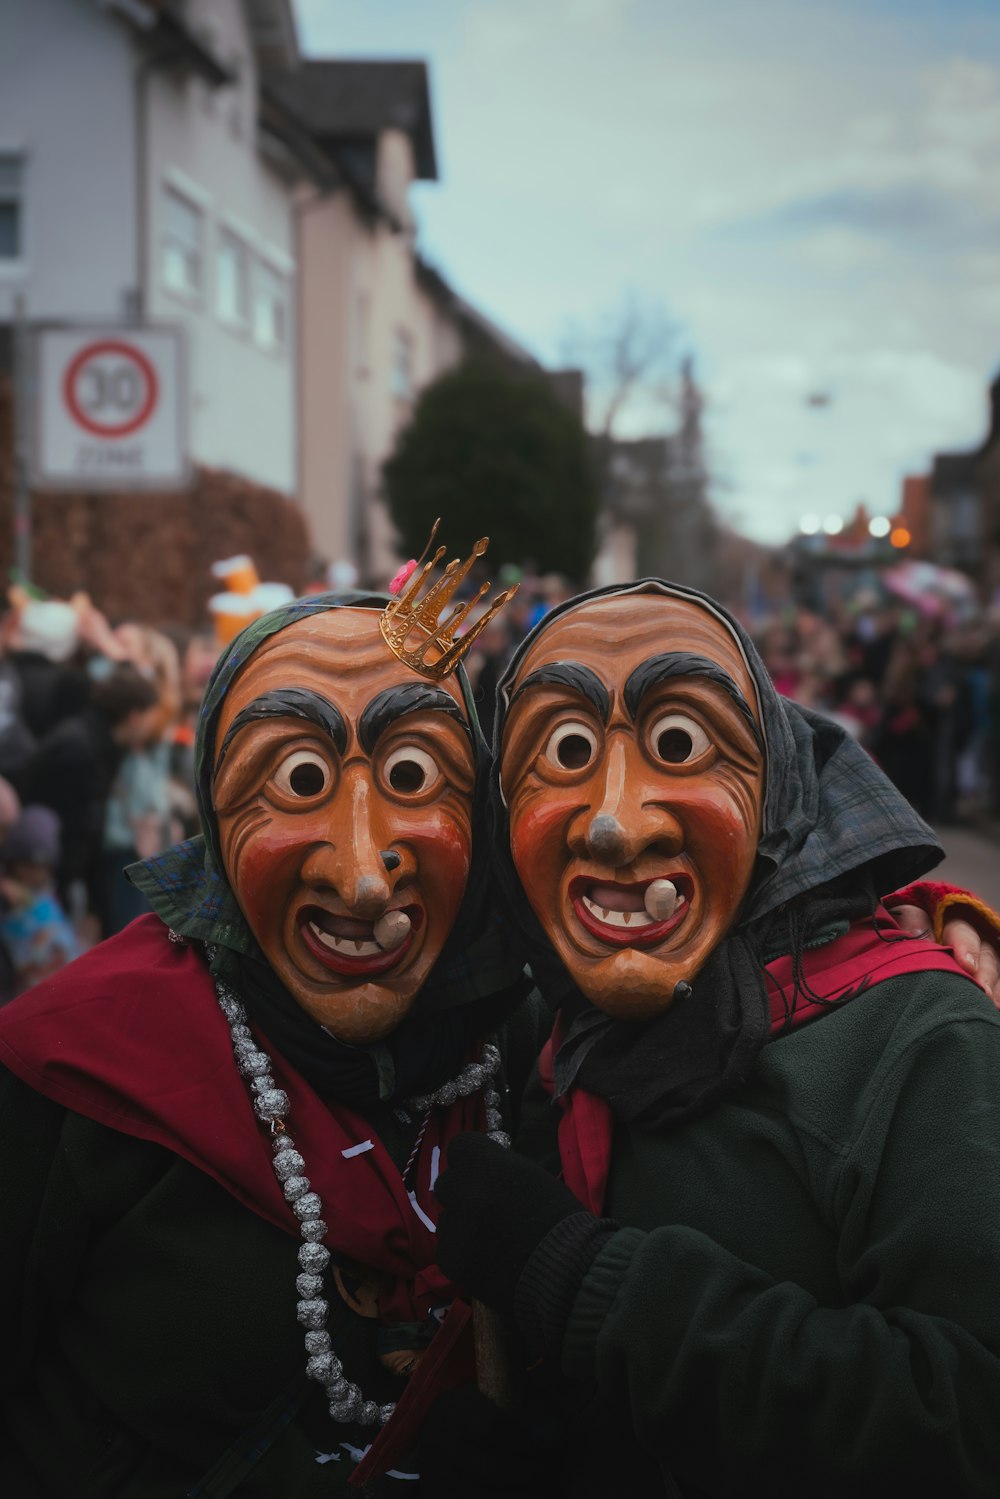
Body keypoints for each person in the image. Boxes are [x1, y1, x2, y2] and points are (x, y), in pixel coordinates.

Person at [433, 578, 1000, 1498]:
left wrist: (589, 1285)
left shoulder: (922, 1039)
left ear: (775, 785)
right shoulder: (542, 1024)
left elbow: (970, 1419)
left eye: (681, 743)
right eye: (564, 750)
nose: (616, 820)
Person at [0, 574, 544, 1497]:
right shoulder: (69, 1065)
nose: (365, 878)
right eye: (297, 780)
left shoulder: (532, 1047)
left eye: (414, 774)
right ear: (214, 812)